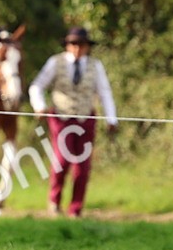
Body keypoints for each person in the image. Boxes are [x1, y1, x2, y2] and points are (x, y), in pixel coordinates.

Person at [28, 26, 118, 217]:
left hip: (86, 119)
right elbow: (37, 86)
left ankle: (75, 209)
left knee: (83, 167)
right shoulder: (55, 62)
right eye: (73, 44)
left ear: (87, 47)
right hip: (61, 118)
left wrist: (111, 118)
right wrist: (40, 107)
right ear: (67, 45)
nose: (77, 48)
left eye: (81, 44)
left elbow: (104, 92)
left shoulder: (95, 66)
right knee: (61, 160)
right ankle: (54, 202)